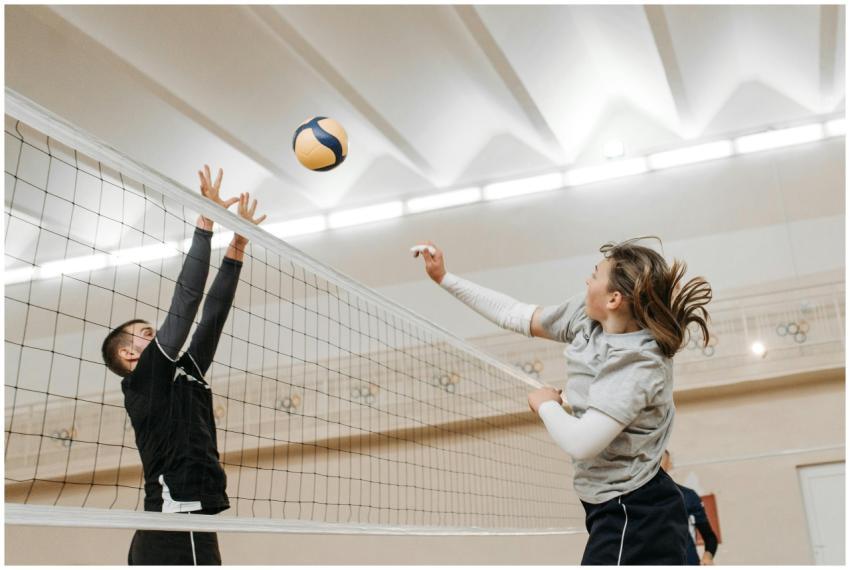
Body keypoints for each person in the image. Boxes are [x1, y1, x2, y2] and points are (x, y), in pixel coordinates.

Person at [415, 237, 712, 565]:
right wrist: (445, 277)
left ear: (614, 298)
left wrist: (546, 404)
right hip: (614, 507)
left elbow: (582, 443)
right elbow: (516, 314)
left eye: (595, 275)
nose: (588, 280)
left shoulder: (638, 363)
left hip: (636, 511)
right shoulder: (587, 318)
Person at [101, 165, 266, 565]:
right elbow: (187, 299)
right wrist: (206, 220)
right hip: (176, 524)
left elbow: (212, 315)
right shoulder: (144, 379)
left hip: (187, 523)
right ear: (129, 354)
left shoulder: (185, 371)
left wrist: (238, 243)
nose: (155, 334)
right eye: (145, 332)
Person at [662, 450, 719, 565]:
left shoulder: (687, 496)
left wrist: (708, 556)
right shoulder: (633, 499)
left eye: (660, 460)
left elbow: (709, 536)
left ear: (669, 464)